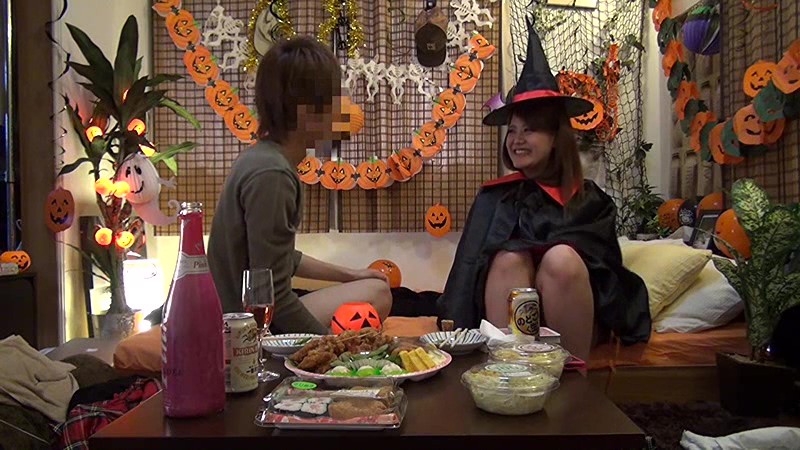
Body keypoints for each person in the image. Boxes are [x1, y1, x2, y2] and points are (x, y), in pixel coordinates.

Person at [437, 20, 651, 361]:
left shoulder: (590, 201)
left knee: (561, 259)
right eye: (513, 130)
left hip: (574, 314)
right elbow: (469, 270)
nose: (517, 139)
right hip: (508, 320)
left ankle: (572, 377)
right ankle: (509, 370)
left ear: (555, 138)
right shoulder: (495, 197)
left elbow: (606, 278)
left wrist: (547, 259)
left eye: (530, 130)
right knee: (507, 259)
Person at [208, 37, 392, 335]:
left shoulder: (264, 159)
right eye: (335, 101)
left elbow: (281, 259)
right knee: (378, 295)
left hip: (250, 312)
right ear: (308, 113)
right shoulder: (272, 175)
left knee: (374, 288)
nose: (343, 110)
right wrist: (329, 348)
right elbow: (274, 298)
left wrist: (350, 274)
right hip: (245, 327)